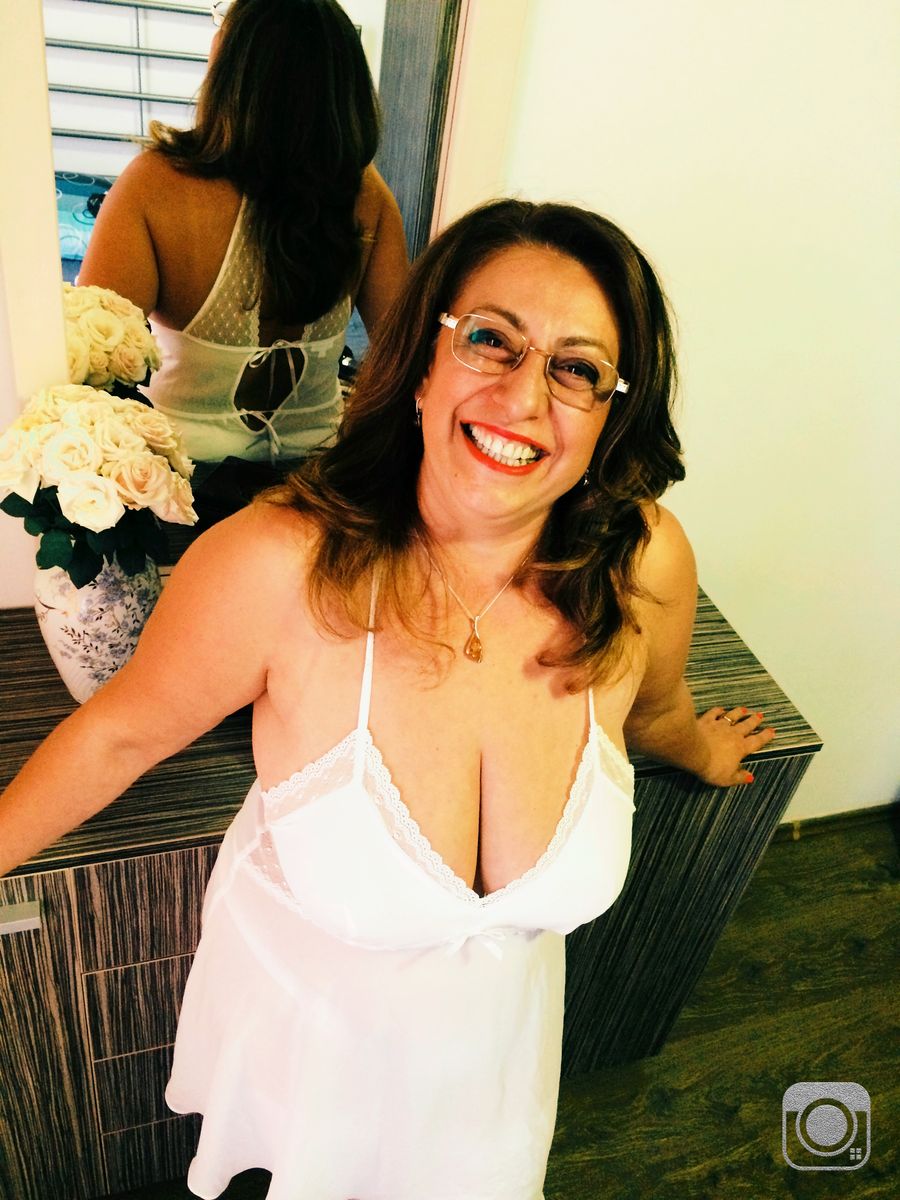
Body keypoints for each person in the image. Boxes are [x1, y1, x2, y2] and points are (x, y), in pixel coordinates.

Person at [1, 199, 775, 1198]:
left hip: (494, 1059)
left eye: (577, 369)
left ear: (611, 416)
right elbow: (118, 735)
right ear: (420, 364)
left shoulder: (643, 564)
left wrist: (702, 749)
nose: (523, 396)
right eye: (490, 339)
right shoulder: (274, 567)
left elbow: (654, 709)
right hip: (312, 1041)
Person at [78, 0, 408, 497]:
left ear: (231, 62)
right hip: (316, 489)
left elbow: (92, 368)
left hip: (178, 490)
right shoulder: (366, 194)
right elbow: (406, 355)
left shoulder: (154, 185)